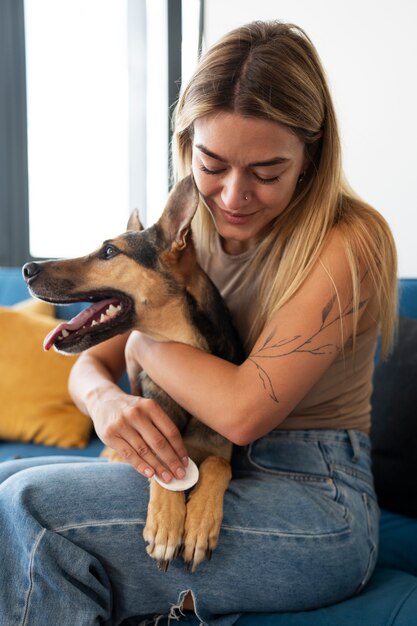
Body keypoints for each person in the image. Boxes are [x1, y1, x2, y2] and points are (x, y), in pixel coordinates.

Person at [0, 20, 397, 626]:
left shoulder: (347, 240)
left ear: (310, 158)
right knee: (5, 481)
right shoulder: (186, 239)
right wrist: (108, 406)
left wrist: (142, 337)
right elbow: (90, 368)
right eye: (213, 165)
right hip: (188, 456)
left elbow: (241, 411)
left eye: (266, 173)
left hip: (315, 497)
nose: (234, 196)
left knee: (27, 506)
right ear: (186, 146)